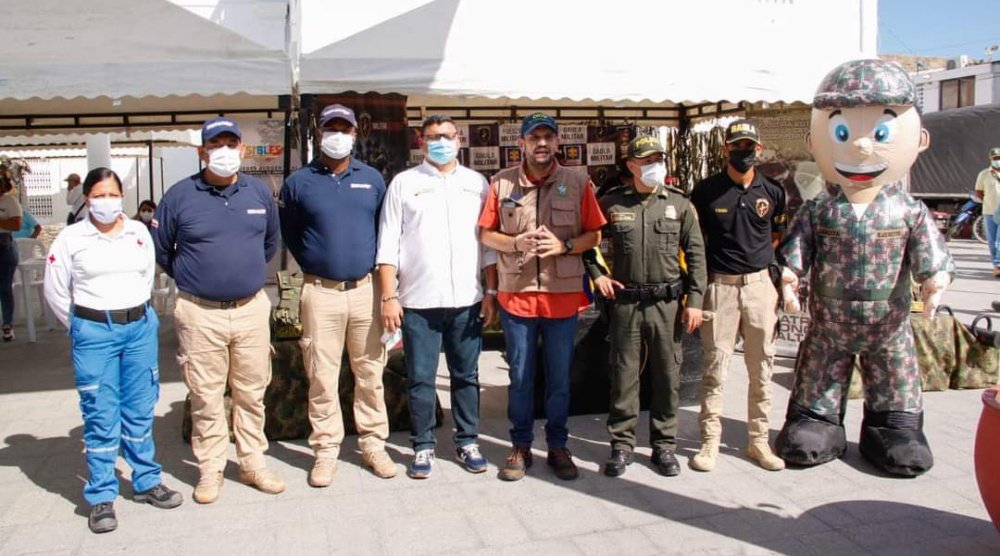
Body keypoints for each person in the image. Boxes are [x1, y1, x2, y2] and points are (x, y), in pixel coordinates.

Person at [775, 59, 954, 476]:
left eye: (880, 133)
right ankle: (815, 421)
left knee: (895, 380)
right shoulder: (820, 209)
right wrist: (789, 279)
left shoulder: (908, 211)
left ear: (920, 139)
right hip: (828, 324)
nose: (860, 147)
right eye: (841, 133)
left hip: (888, 324)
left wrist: (935, 279)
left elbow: (930, 256)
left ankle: (894, 429)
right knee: (817, 378)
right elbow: (796, 253)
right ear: (814, 141)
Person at [43, 167, 182, 534]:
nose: (107, 201)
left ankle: (146, 480)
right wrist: (81, 325)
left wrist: (136, 313)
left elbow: (146, 275)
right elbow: (55, 290)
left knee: (140, 408)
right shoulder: (72, 238)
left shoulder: (138, 232)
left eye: (113, 194)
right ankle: (102, 494)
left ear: (122, 196)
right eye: (99, 195)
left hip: (138, 328)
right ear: (87, 199)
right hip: (94, 331)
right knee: (101, 413)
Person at [153, 117, 283, 503]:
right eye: (215, 145)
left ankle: (252, 463)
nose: (224, 151)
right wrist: (198, 277)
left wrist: (238, 276)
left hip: (250, 309)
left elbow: (270, 243)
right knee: (206, 396)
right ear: (202, 152)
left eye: (231, 143)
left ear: (242, 149)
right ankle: (211, 469)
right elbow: (162, 251)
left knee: (251, 393)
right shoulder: (179, 196)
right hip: (200, 312)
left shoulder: (259, 192)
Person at [478, 112, 606, 482]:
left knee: (559, 380)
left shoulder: (577, 181)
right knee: (520, 377)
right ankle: (520, 445)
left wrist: (565, 245)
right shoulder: (501, 183)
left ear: (557, 142)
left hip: (561, 297)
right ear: (521, 143)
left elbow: (595, 235)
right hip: (517, 296)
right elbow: (485, 234)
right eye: (535, 138)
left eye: (548, 137)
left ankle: (558, 445)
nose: (542, 143)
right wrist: (515, 242)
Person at [278, 104, 396, 487]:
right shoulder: (299, 182)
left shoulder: (372, 179)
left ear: (355, 134)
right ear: (319, 133)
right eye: (332, 128)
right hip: (320, 293)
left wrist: (387, 294)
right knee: (321, 376)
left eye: (345, 128)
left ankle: (373, 444)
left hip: (365, 291)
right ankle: (326, 451)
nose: (338, 135)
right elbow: (291, 233)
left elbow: (384, 235)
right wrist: (318, 263)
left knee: (370, 373)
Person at [376, 114, 497, 479]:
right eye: (432, 137)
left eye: (447, 135)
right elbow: (388, 243)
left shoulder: (476, 183)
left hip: (467, 299)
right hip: (418, 301)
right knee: (421, 378)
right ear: (421, 142)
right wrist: (389, 297)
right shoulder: (404, 183)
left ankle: (468, 441)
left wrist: (491, 291)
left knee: (466, 375)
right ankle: (423, 446)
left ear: (459, 140)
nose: (440, 142)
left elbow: (488, 246)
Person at [586, 136, 707, 478]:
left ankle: (664, 445)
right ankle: (621, 445)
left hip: (667, 304)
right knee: (624, 377)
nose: (655, 165)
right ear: (631, 165)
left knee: (667, 377)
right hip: (626, 305)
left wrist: (696, 301)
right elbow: (587, 239)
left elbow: (697, 255)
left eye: (658, 158)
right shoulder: (612, 203)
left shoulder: (679, 204)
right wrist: (597, 274)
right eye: (647, 160)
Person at [688, 119, 787, 472]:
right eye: (737, 146)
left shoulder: (773, 191)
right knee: (715, 369)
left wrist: (768, 280)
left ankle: (758, 442)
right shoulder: (706, 191)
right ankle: (709, 442)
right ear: (725, 149)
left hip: (759, 287)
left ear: (758, 149)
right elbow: (694, 241)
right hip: (721, 288)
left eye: (749, 146)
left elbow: (776, 236)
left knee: (762, 369)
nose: (743, 152)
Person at [0, 177, 22, 341]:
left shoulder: (9, 201)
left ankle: (7, 324)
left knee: (4, 288)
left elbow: (16, 225)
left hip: (4, 245)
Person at [975, 147, 1000, 276]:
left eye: (999, 158)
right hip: (989, 211)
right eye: (995, 158)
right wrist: (988, 200)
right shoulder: (984, 174)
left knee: (999, 241)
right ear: (990, 159)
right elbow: (979, 192)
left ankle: (999, 264)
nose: (997, 160)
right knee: (992, 241)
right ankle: (996, 266)